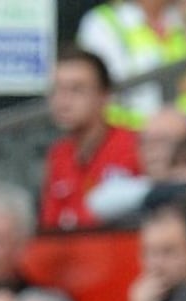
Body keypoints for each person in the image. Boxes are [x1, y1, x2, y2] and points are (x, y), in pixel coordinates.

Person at [41, 47, 140, 230]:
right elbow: (50, 228)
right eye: (56, 89)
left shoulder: (135, 147)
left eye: (76, 89)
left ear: (104, 96)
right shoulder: (58, 155)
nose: (63, 100)